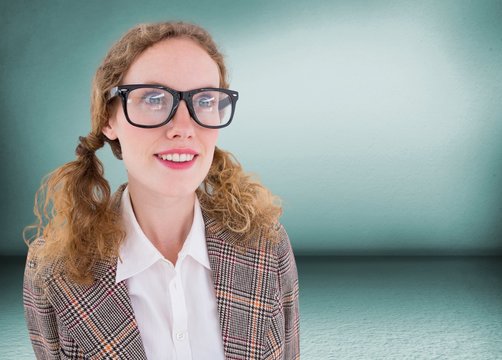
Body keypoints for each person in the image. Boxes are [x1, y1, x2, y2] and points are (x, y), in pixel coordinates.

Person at [23, 21, 299, 359]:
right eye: (154, 99)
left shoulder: (266, 244)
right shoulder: (54, 270)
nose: (184, 128)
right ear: (109, 118)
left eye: (205, 100)